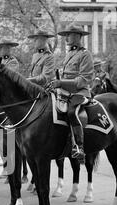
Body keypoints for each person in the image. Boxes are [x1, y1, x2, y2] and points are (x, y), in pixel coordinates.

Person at [46, 23, 94, 162]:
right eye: (66, 35)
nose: (66, 37)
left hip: (80, 93)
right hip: (64, 92)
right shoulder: (69, 54)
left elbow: (83, 80)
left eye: (69, 35)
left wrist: (61, 83)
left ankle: (79, 147)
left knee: (72, 112)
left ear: (78, 36)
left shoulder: (85, 54)